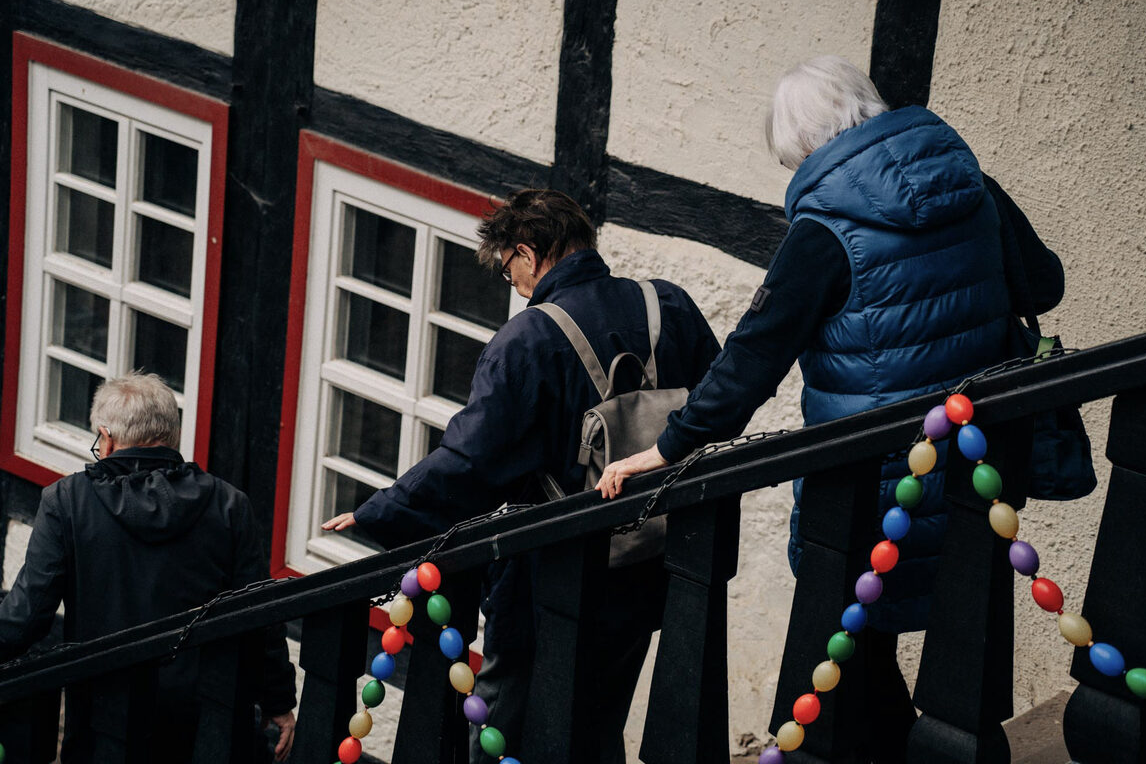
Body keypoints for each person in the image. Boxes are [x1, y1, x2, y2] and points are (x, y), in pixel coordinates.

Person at [598, 55, 1065, 763]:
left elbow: (753, 357)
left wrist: (668, 448)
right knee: (953, 618)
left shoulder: (823, 232)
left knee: (848, 627)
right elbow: (1045, 283)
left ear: (808, 147)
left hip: (875, 483)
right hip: (979, 465)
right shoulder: (971, 183)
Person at [323, 188, 720, 763]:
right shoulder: (668, 305)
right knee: (597, 719)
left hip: (551, 574)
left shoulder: (528, 340)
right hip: (653, 559)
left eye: (509, 270)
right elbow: (716, 406)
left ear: (529, 254)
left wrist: (378, 511)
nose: (514, 285)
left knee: (503, 723)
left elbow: (470, 461)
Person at [0, 373, 297, 763]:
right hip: (204, 723)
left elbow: (25, 617)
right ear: (172, 436)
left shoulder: (68, 501)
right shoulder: (229, 504)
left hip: (104, 719)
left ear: (106, 439)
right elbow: (259, 615)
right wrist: (278, 699)